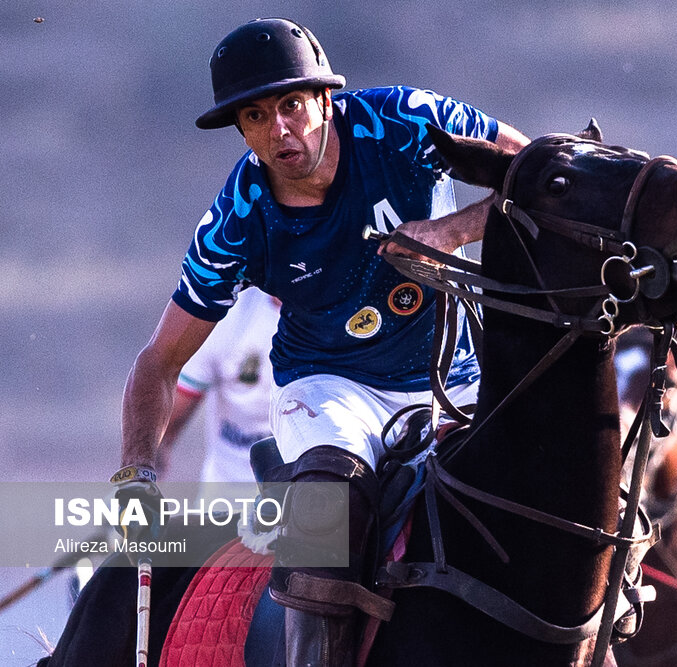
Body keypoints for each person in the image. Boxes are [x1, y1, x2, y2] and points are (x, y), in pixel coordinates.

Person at [112, 17, 529, 666]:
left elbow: (537, 176)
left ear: (325, 100)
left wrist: (452, 229)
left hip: (457, 374)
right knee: (330, 517)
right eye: (255, 116)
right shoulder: (236, 219)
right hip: (332, 389)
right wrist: (136, 473)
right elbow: (158, 362)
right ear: (242, 131)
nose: (279, 129)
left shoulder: (408, 120)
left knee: (551, 492)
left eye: (291, 105)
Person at [154, 287, 280, 500]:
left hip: (309, 495)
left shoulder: (343, 314)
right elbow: (165, 425)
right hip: (228, 497)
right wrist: (139, 481)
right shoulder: (228, 314)